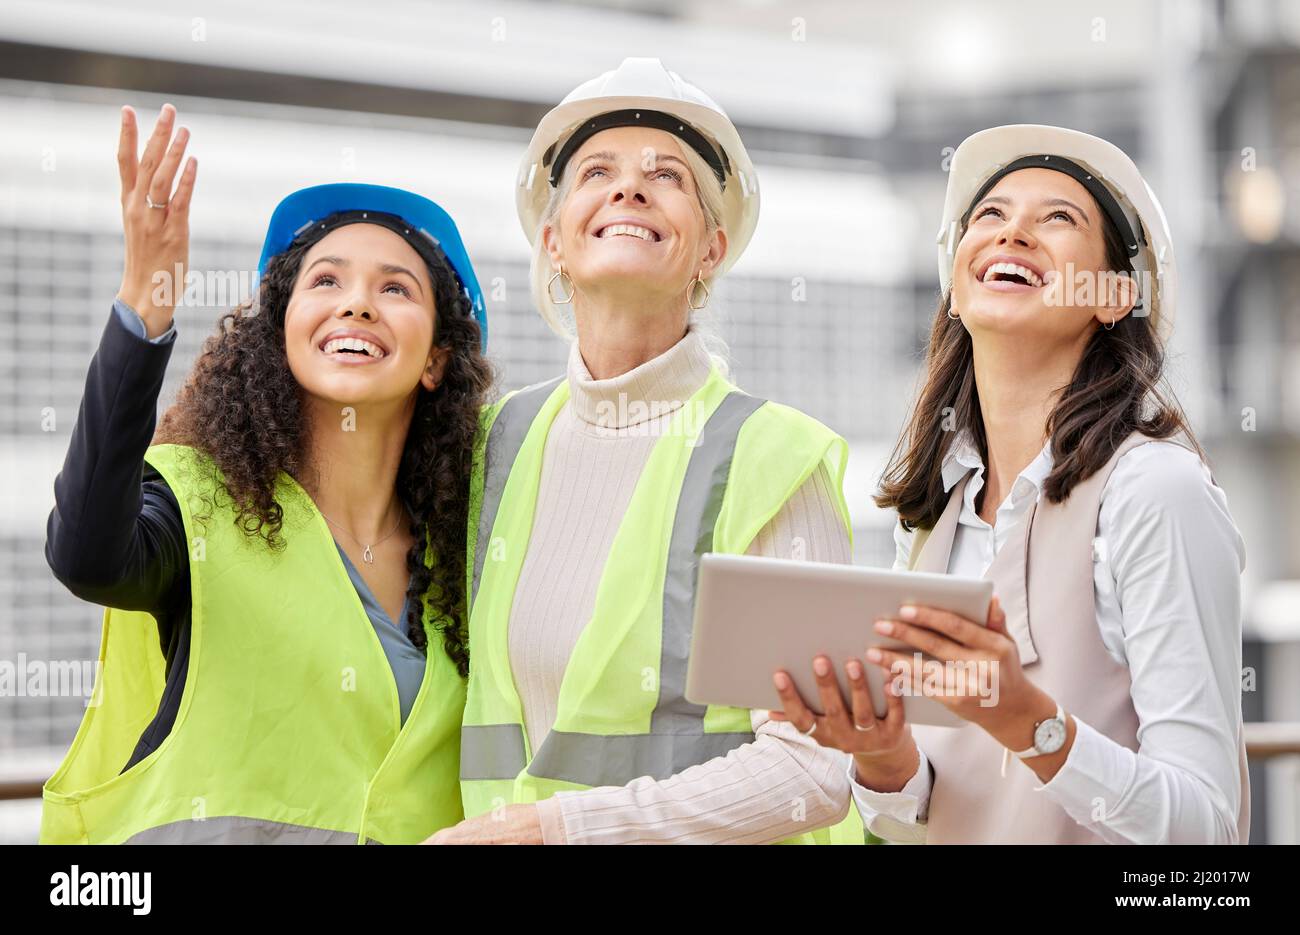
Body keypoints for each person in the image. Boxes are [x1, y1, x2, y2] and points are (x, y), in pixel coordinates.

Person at [772, 124, 1250, 844]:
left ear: (1114, 296)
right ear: (956, 291)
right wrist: (882, 757)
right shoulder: (934, 516)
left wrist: (1029, 722)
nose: (1012, 232)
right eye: (990, 214)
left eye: (1058, 217)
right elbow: (923, 818)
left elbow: (1206, 831)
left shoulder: (1155, 491)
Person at [428, 58, 864, 844]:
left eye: (667, 176)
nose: (629, 188)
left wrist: (560, 829)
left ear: (710, 250)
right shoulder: (494, 442)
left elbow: (814, 769)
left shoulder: (775, 457)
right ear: (555, 243)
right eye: (598, 171)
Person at [41, 103, 493, 843]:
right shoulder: (198, 502)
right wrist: (145, 305)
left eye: (395, 288)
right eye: (326, 281)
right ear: (281, 333)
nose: (356, 304)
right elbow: (86, 553)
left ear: (437, 360)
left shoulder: (466, 557)